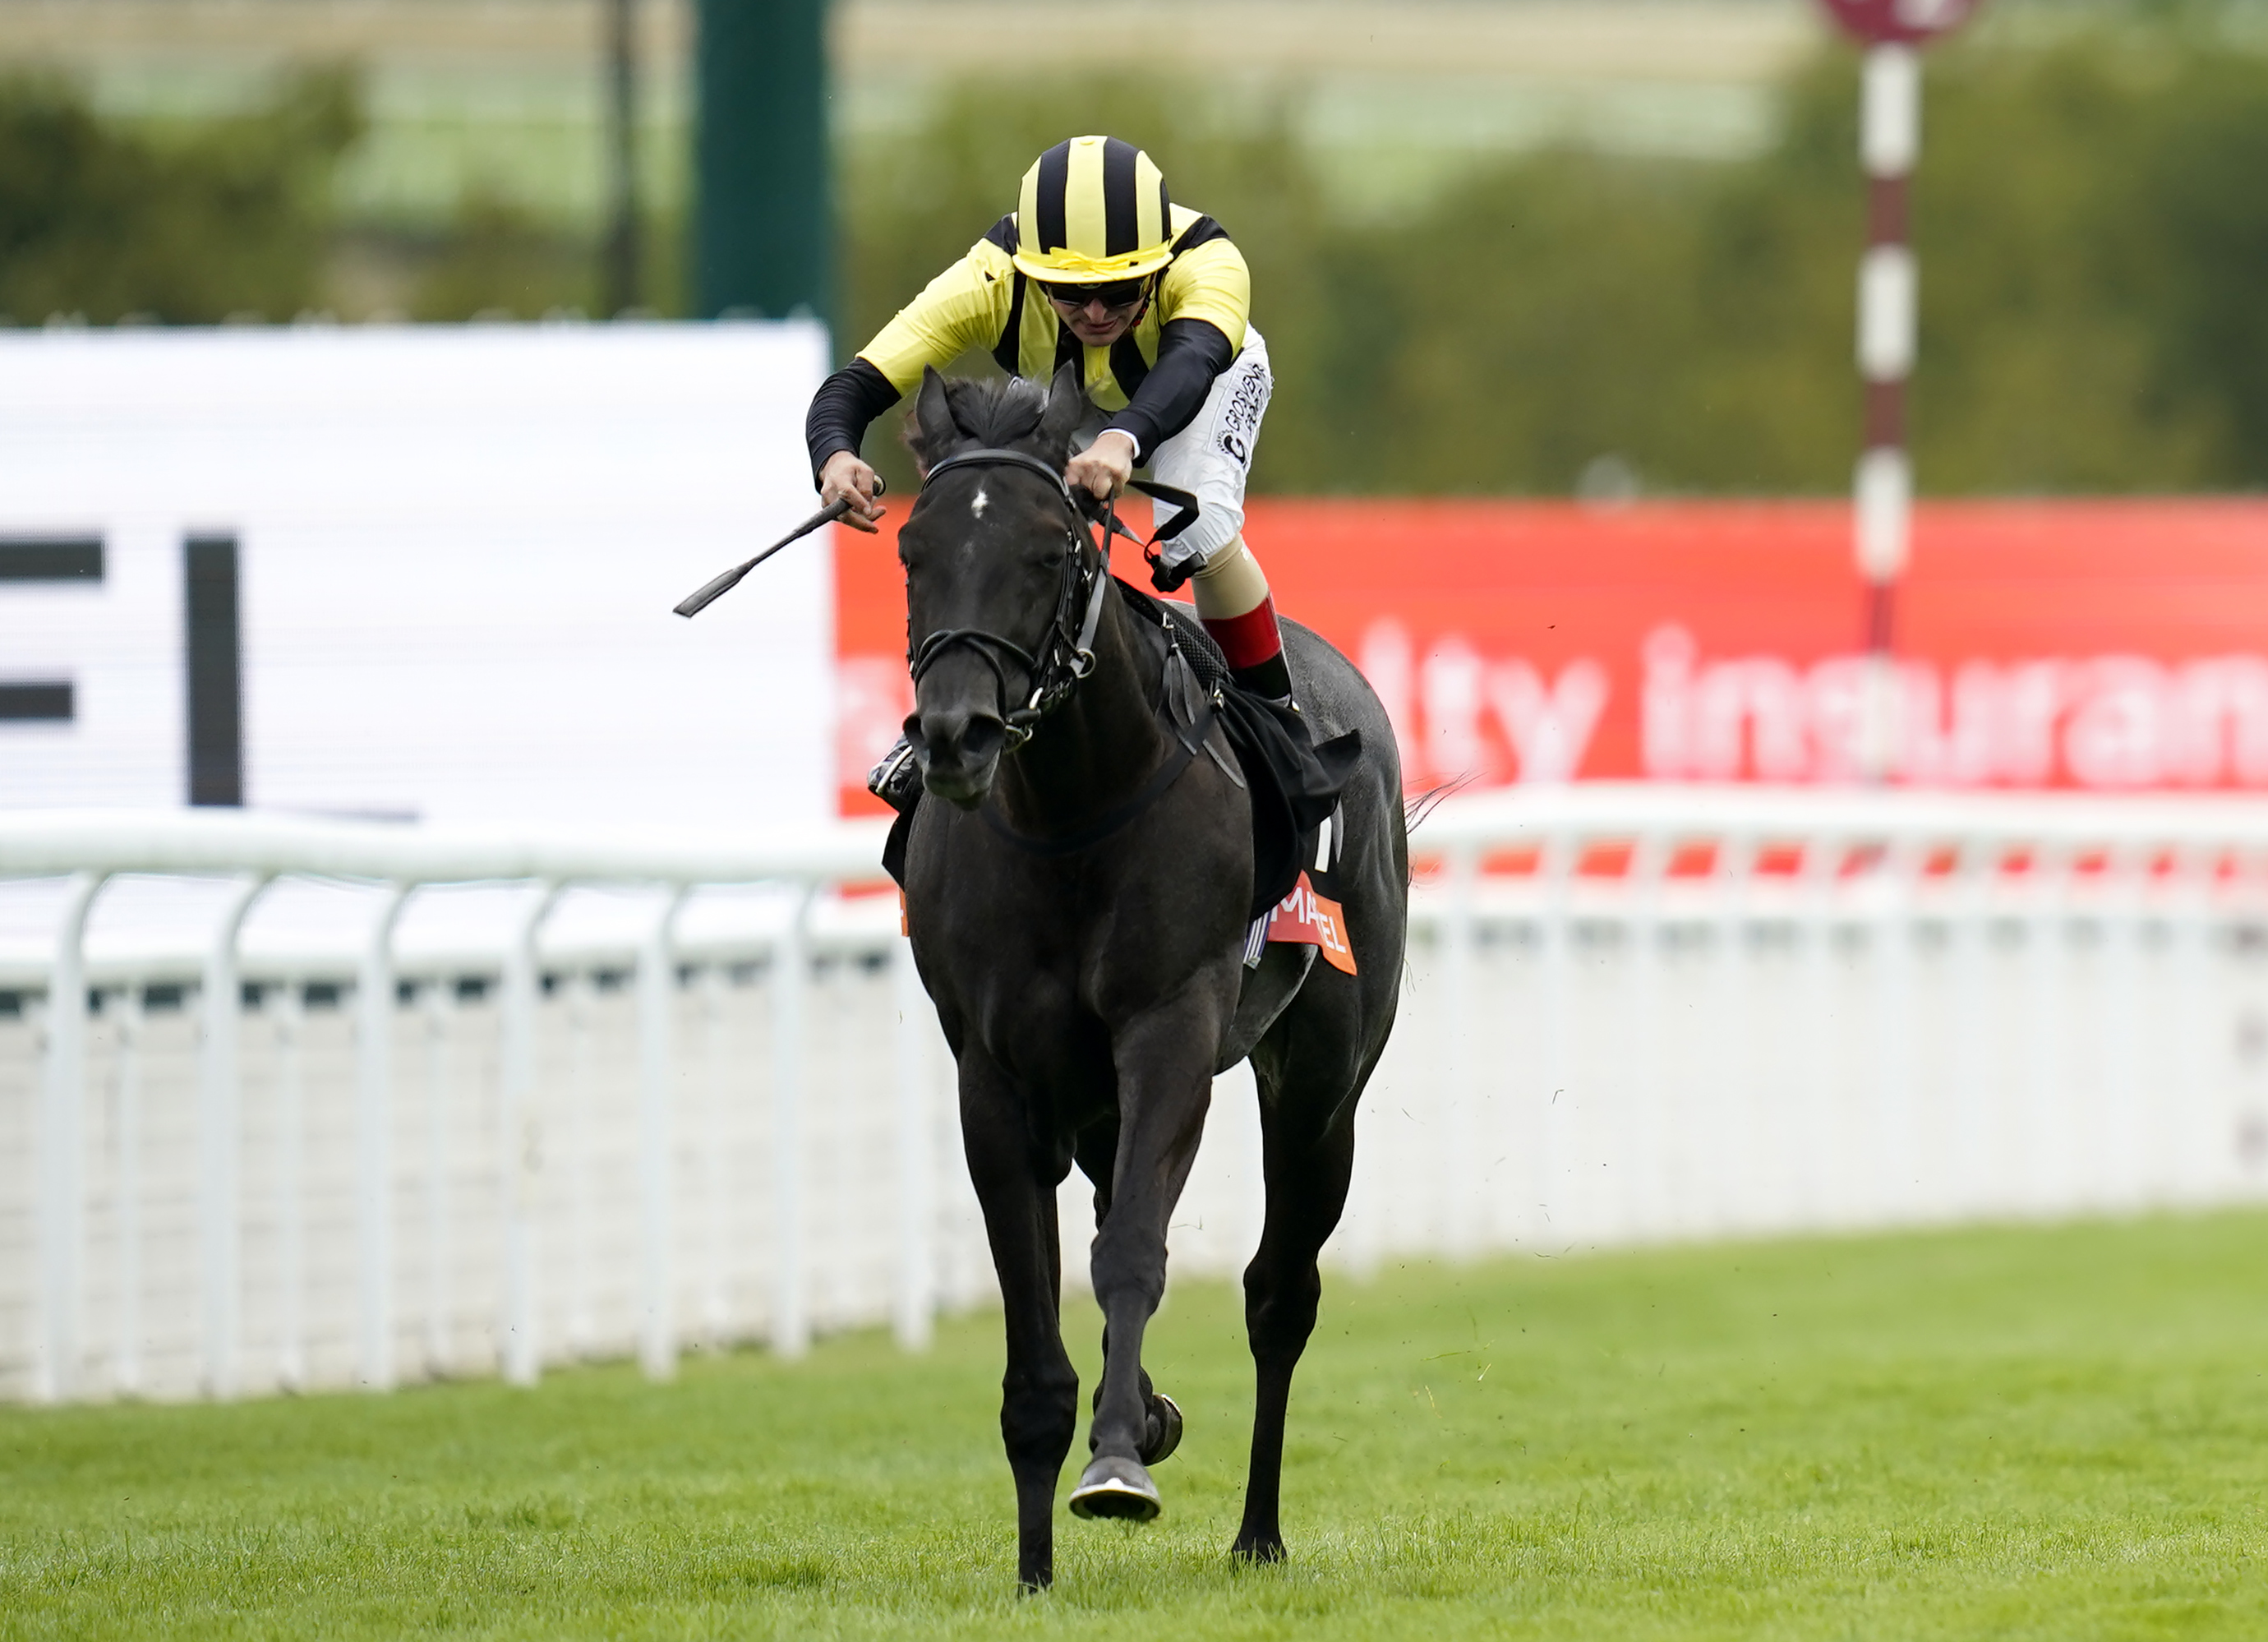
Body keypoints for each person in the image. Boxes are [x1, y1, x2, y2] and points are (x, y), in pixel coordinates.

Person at [805, 134, 1292, 730]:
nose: (1094, 313)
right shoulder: (987, 279)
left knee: (1197, 528)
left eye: (1119, 289)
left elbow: (1192, 362)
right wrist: (834, 455)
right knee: (1004, 520)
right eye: (1067, 291)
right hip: (1079, 398)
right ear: (1032, 273)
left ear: (1158, 267)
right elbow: (851, 388)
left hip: (1204, 381)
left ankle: (1277, 725)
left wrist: (1125, 440)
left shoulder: (1209, 261)